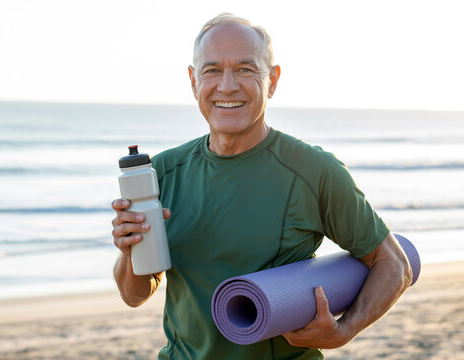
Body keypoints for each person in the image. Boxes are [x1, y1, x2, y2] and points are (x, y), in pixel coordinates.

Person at [111, 13, 413, 359]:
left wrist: (346, 329)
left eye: (245, 69)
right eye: (212, 70)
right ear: (193, 81)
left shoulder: (314, 170)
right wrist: (128, 248)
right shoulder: (162, 172)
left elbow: (393, 263)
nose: (227, 86)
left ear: (272, 80)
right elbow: (135, 295)